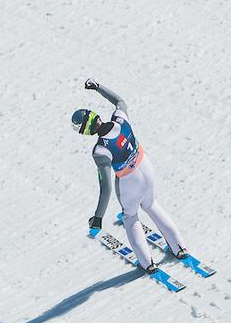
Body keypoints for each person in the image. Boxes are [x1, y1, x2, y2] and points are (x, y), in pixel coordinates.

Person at [71, 79, 187, 274]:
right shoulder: (120, 118)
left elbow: (106, 189)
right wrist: (98, 87)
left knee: (130, 216)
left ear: (86, 130)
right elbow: (119, 100)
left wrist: (98, 218)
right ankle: (179, 247)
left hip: (129, 182)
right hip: (146, 166)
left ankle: (147, 263)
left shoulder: (100, 151)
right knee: (151, 205)